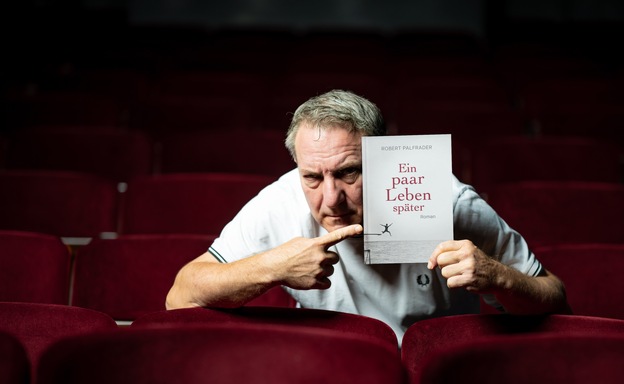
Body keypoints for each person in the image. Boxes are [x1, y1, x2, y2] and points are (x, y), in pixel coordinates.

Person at [166, 89, 571, 342]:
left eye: (349, 173)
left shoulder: (451, 201)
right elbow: (180, 297)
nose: (331, 199)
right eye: (312, 176)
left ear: (383, 159)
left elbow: (555, 298)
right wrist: (272, 266)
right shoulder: (280, 201)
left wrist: (498, 278)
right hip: (334, 368)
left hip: (436, 369)